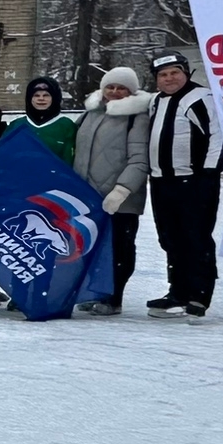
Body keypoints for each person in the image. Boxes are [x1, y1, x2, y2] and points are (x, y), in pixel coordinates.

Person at [142, 49, 223, 318]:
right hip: (161, 182)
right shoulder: (156, 101)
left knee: (196, 237)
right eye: (163, 75)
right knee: (170, 238)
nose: (169, 79)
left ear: (186, 73)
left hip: (193, 181)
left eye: (174, 73)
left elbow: (218, 135)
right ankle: (177, 291)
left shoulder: (200, 98)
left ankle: (199, 295)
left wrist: (208, 174)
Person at [70, 65, 151, 316]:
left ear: (131, 91)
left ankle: (113, 296)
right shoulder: (89, 114)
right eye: (110, 86)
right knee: (92, 248)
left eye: (121, 87)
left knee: (119, 248)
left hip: (120, 199)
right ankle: (94, 292)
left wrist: (121, 190)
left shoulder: (136, 118)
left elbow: (139, 160)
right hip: (89, 197)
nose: (114, 92)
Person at [6, 76, 77, 164]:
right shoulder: (17, 125)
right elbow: (5, 156)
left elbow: (69, 161)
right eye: (36, 95)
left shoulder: (66, 126)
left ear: (54, 98)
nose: (41, 98)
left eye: (46, 95)